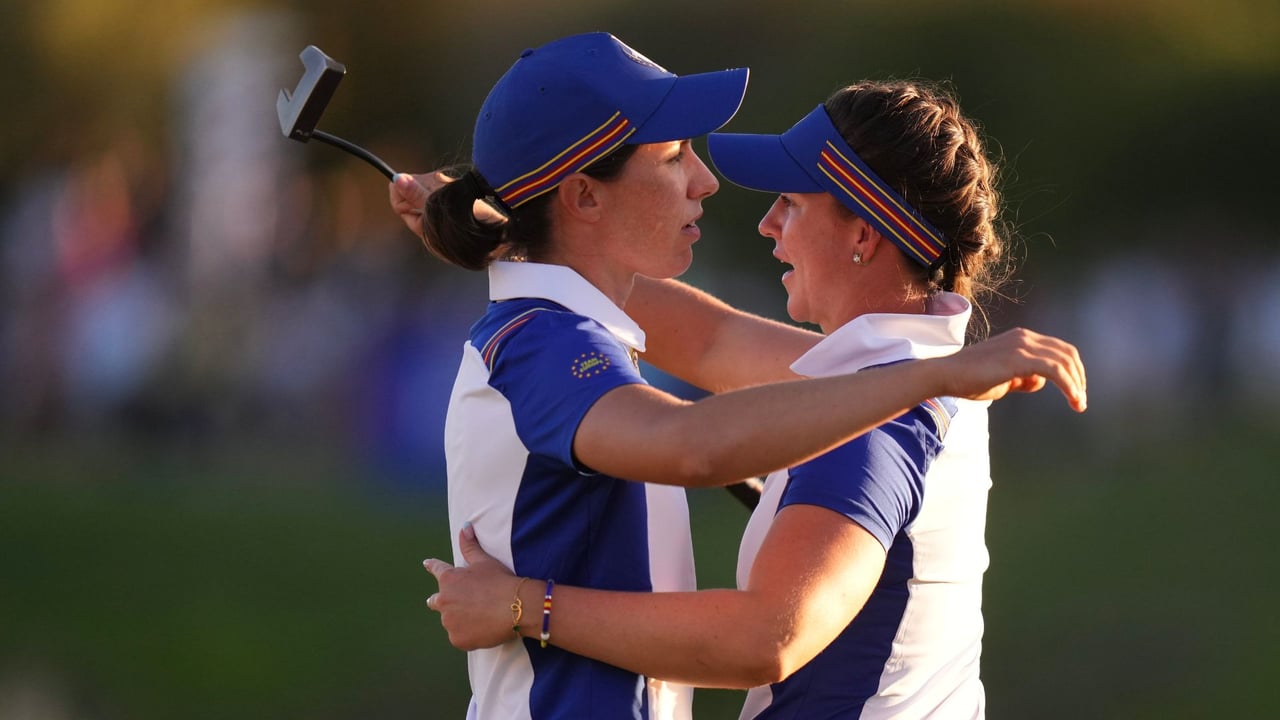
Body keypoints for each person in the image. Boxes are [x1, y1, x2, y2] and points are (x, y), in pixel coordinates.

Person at [394, 32, 1085, 720]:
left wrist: (525, 607)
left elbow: (759, 614)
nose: (717, 190)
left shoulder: (892, 391)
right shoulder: (905, 373)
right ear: (581, 197)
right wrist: (500, 233)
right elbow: (708, 352)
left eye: (792, 202)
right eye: (673, 157)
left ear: (864, 236)